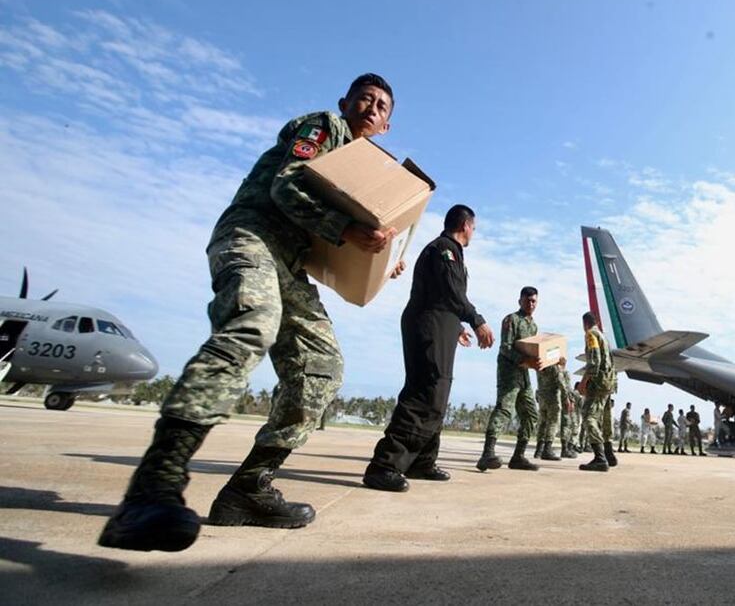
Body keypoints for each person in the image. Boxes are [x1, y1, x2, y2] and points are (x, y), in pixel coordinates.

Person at [98, 74, 402, 553]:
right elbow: (286, 189)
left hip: (291, 263)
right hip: (252, 235)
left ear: (386, 126)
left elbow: (343, 243)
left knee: (322, 370)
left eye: (383, 106)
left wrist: (381, 258)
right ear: (345, 102)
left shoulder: (365, 176)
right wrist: (347, 230)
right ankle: (153, 486)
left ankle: (248, 489)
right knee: (252, 324)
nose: (372, 106)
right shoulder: (324, 128)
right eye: (365, 97)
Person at [362, 205, 494, 492]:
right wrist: (477, 321)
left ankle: (422, 461)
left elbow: (443, 296)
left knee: (438, 392)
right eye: (474, 227)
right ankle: (384, 465)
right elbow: (451, 290)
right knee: (425, 392)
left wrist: (456, 327)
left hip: (439, 324)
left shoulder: (450, 251)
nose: (474, 233)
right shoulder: (444, 249)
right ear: (465, 225)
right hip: (428, 324)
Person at [476, 287, 543, 471]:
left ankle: (518, 457)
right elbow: (505, 348)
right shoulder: (511, 320)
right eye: (528, 300)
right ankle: (487, 454)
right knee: (504, 410)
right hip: (509, 372)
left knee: (530, 414)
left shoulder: (533, 326)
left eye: (534, 301)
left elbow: (534, 349)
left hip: (524, 375)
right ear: (520, 300)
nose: (531, 304)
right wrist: (525, 360)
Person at [578, 312, 618, 472]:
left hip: (598, 383)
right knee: (606, 418)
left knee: (588, 417)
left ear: (585, 324)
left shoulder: (591, 335)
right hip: (609, 382)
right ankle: (609, 454)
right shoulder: (604, 338)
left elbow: (594, 362)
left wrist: (583, 382)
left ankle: (599, 458)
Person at [535, 360, 570, 461]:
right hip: (552, 398)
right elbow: (561, 383)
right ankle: (547, 449)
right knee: (553, 423)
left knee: (542, 423)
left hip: (542, 398)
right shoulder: (555, 367)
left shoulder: (540, 366)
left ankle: (539, 450)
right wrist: (566, 398)